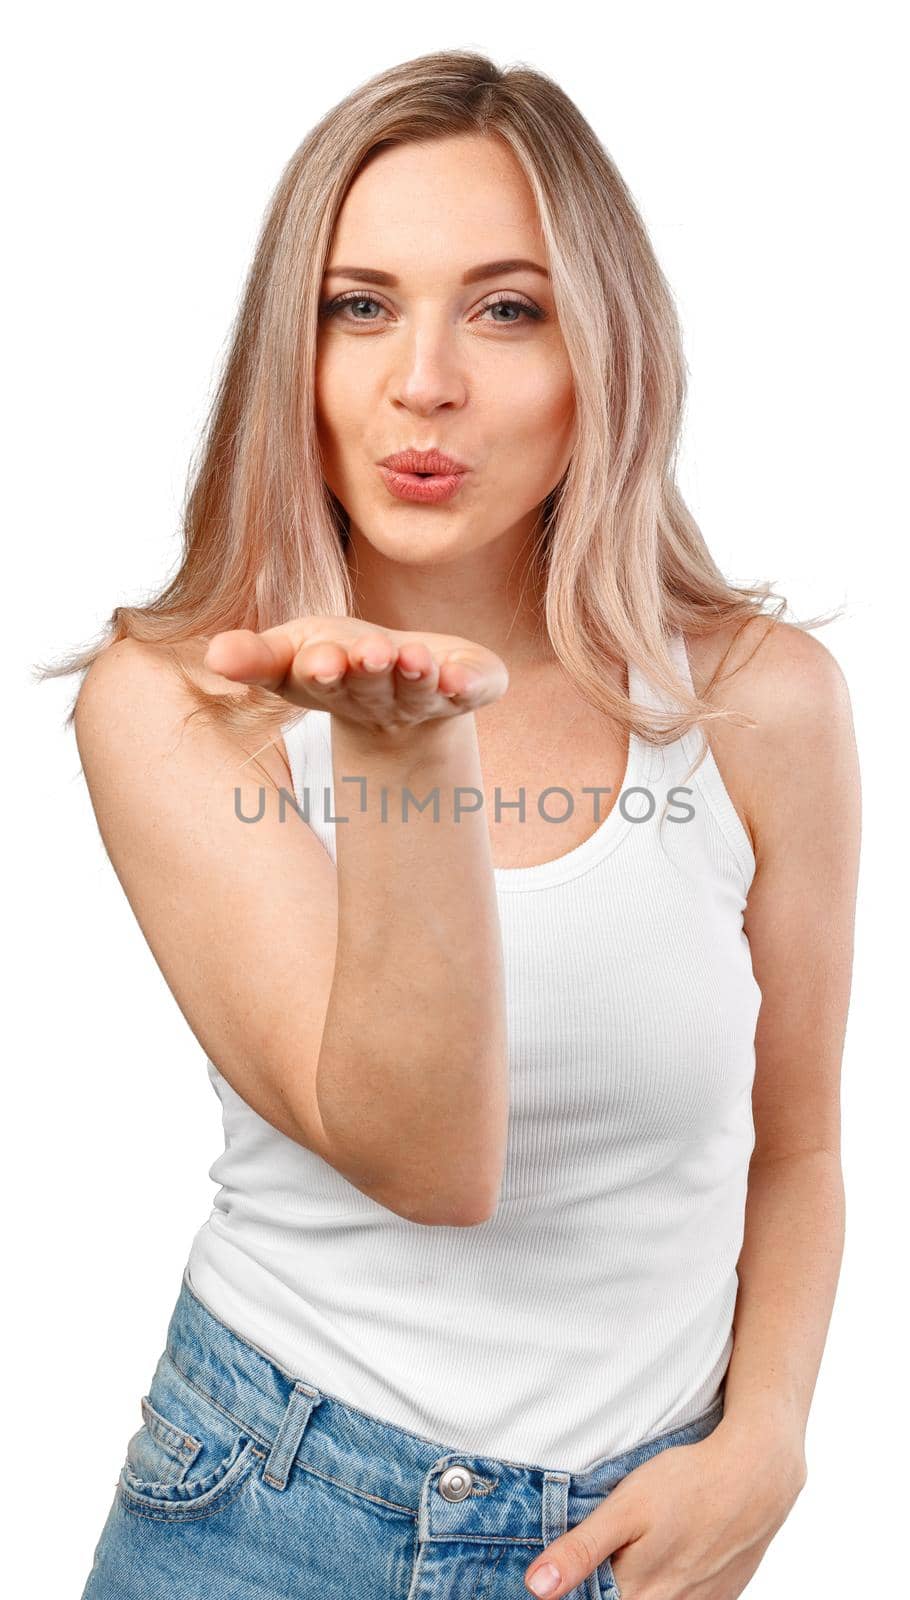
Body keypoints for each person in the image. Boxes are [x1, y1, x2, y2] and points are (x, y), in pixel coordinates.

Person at [47, 48, 859, 1600]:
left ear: (601, 356)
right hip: (262, 1508)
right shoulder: (174, 705)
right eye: (359, 306)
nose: (424, 381)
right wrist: (401, 753)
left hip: (640, 1529)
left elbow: (797, 1139)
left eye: (506, 307)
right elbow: (425, 1159)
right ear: (291, 352)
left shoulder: (756, 703)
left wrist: (765, 1445)